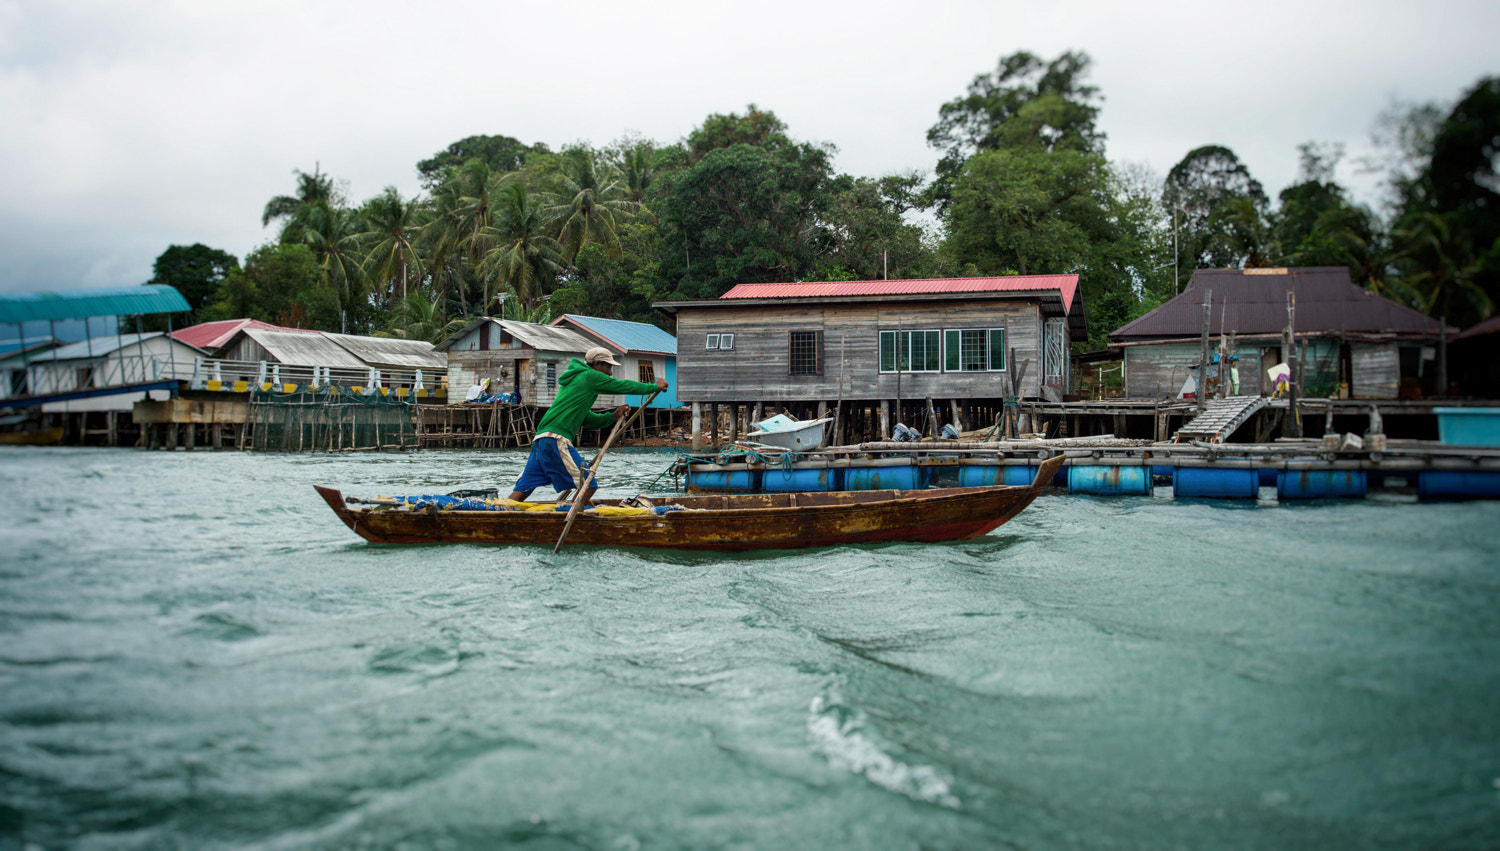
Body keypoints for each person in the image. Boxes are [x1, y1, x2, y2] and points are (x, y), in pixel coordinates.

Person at [507, 347, 668, 503]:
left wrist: (612, 417)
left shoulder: (577, 380)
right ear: (597, 365)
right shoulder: (590, 376)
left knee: (524, 487)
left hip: (542, 439)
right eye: (608, 367)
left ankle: (499, 512)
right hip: (555, 438)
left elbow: (586, 418)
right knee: (589, 485)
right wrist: (654, 386)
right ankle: (570, 516)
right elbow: (621, 385)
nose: (610, 373)